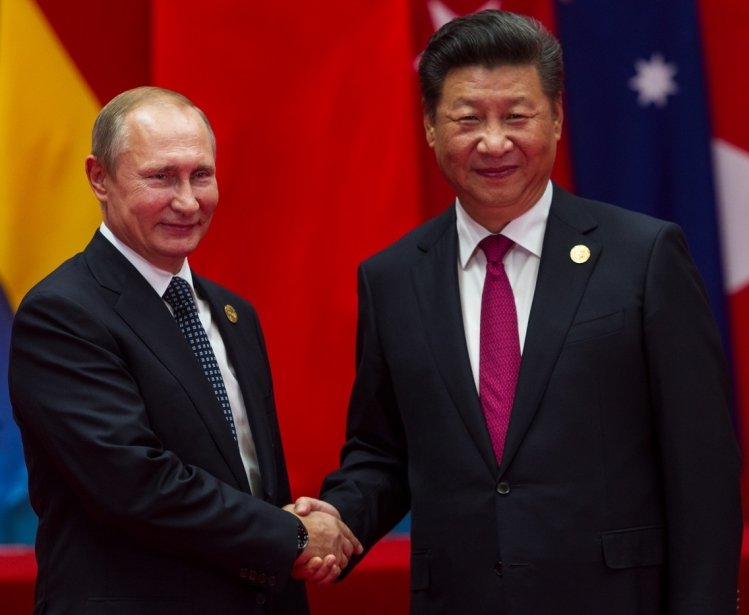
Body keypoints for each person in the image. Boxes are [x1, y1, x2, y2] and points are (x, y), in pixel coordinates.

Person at [292, 9, 743, 614]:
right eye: (468, 119)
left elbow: (702, 465)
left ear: (557, 119)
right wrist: (334, 520)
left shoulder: (644, 256)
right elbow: (382, 453)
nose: (495, 141)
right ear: (430, 127)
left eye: (517, 116)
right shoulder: (393, 278)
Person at [9, 86, 360, 615]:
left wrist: (307, 525)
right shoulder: (62, 313)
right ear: (98, 178)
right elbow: (135, 485)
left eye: (201, 175)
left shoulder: (234, 313)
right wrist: (292, 535)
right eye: (160, 177)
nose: (188, 201)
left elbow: (251, 481)